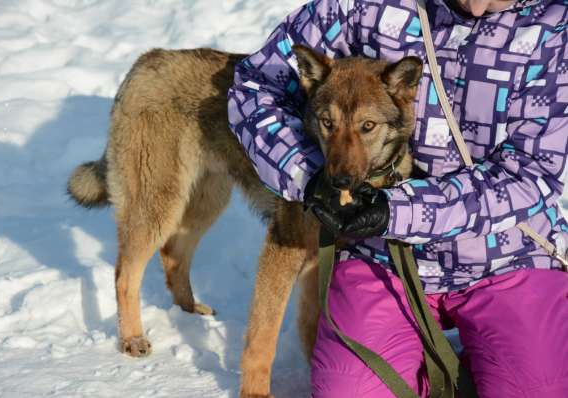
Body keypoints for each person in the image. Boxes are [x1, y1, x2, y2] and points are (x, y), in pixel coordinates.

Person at [227, 0, 568, 396]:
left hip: (509, 254)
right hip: (380, 256)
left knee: (537, 388)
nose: (475, 5)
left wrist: (400, 210)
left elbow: (531, 174)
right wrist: (307, 173)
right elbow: (255, 86)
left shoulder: (555, 29)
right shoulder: (362, 5)